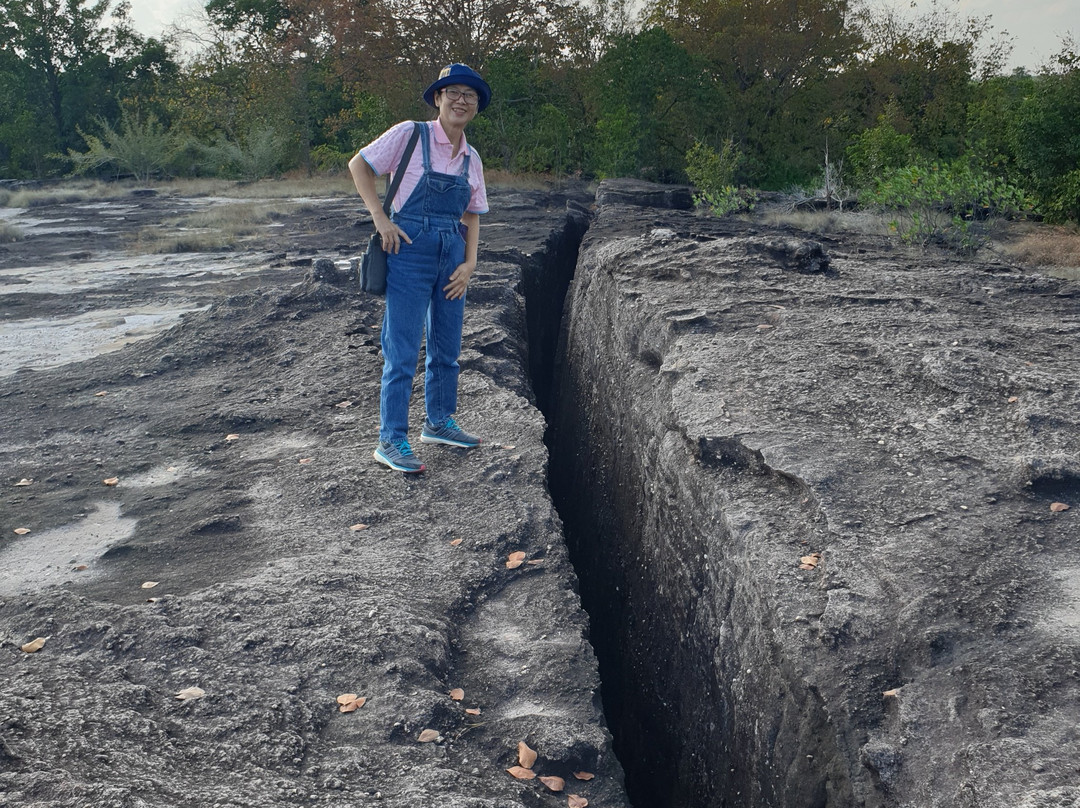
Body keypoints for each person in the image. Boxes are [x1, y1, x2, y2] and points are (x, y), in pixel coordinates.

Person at [349, 64, 491, 474]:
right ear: (437, 98)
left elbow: (473, 214)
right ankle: (391, 439)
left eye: (470, 95)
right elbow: (359, 165)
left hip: (452, 253)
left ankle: (439, 422)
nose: (461, 100)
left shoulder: (471, 157)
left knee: (447, 348)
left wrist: (470, 262)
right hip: (407, 250)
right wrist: (380, 217)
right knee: (403, 350)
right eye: (453, 92)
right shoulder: (410, 134)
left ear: (476, 107)